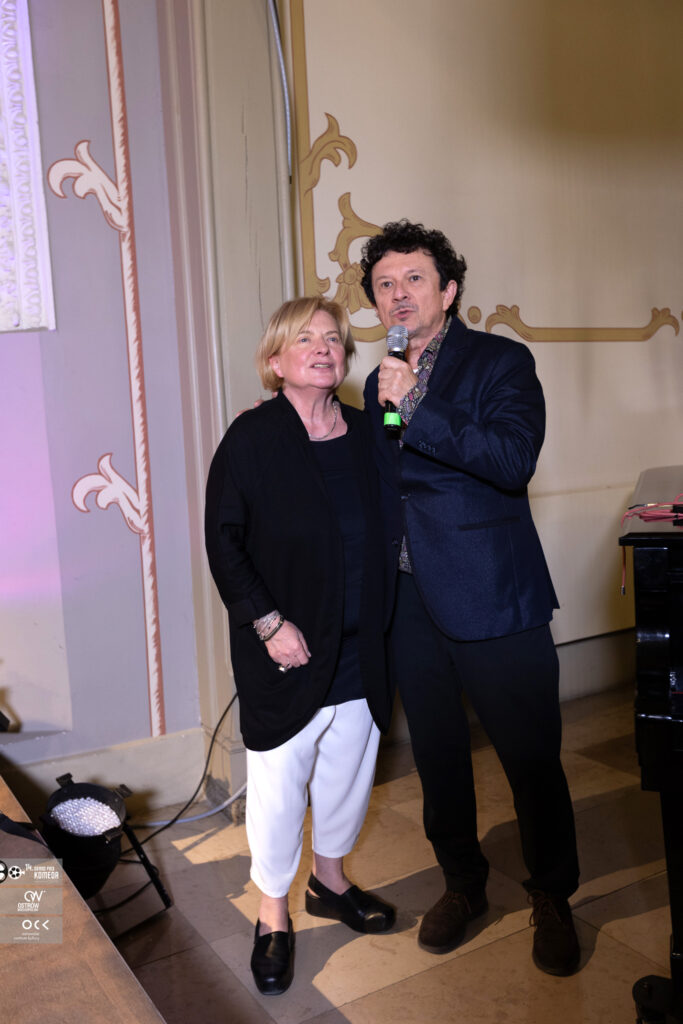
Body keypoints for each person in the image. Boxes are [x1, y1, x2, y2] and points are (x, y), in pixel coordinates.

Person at [360, 219, 581, 976]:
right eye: (384, 284)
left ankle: (552, 896)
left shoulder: (501, 361)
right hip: (409, 601)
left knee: (530, 759)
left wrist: (417, 400)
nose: (398, 294)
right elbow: (390, 474)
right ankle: (463, 885)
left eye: (413, 279)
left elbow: (511, 460)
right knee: (438, 757)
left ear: (448, 290)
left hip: (491, 593)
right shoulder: (380, 378)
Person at [204, 296, 395, 996]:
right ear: (275, 360)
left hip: (361, 644)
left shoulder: (369, 429)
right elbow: (223, 541)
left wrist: (401, 407)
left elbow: (404, 482)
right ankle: (273, 912)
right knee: (281, 790)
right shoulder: (252, 437)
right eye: (304, 338)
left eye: (333, 339)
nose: (322, 347)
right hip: (286, 648)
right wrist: (268, 624)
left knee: (348, 775)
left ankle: (330, 882)